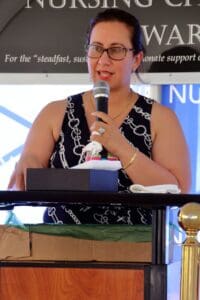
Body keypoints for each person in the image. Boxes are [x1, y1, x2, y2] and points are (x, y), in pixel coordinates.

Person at [8, 8, 191, 225]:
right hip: (59, 246)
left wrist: (122, 148)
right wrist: (28, 165)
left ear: (136, 59)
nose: (103, 60)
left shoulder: (160, 118)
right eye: (96, 48)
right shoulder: (54, 112)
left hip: (135, 250)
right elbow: (27, 177)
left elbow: (178, 190)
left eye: (116, 50)